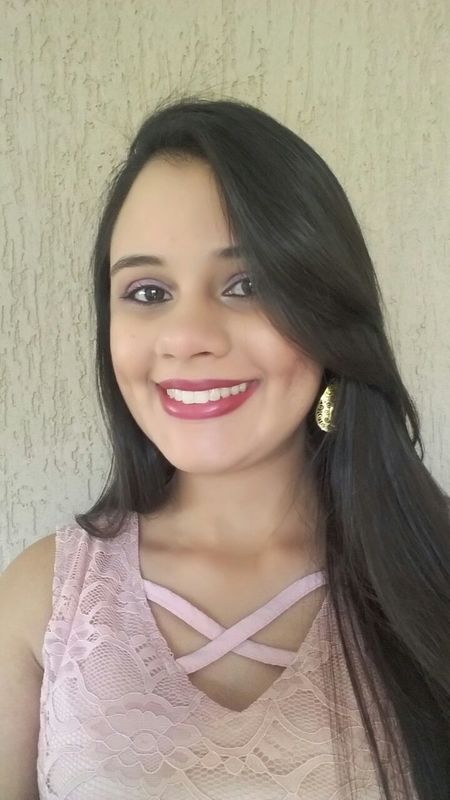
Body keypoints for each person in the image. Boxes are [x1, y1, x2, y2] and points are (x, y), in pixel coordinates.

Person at [0, 95, 448, 800]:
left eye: (246, 284)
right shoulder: (42, 599)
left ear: (329, 311)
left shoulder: (434, 574)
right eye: (149, 292)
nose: (187, 337)